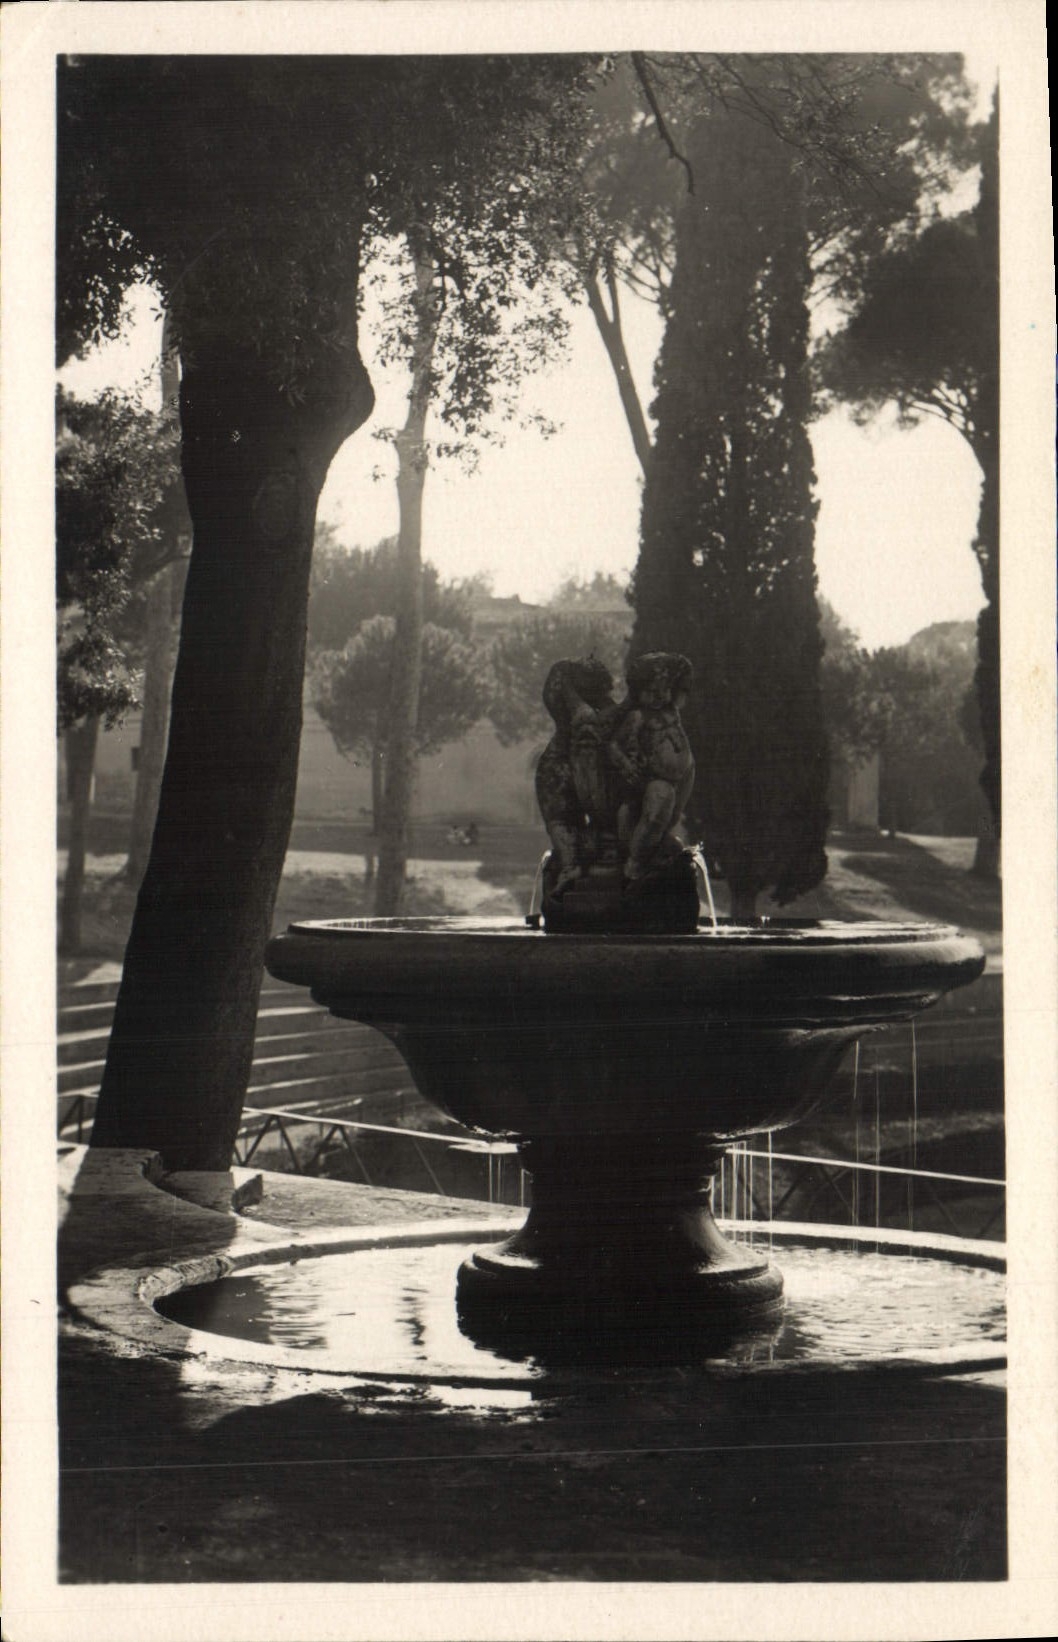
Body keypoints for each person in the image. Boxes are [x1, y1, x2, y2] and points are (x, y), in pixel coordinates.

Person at [608, 652, 695, 882]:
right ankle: (635, 864)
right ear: (639, 691)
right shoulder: (637, 716)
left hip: (681, 777)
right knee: (655, 814)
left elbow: (682, 672)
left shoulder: (671, 710)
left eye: (663, 690)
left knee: (670, 818)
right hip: (653, 779)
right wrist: (626, 765)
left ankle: (655, 850)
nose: (659, 696)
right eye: (651, 691)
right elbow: (614, 745)